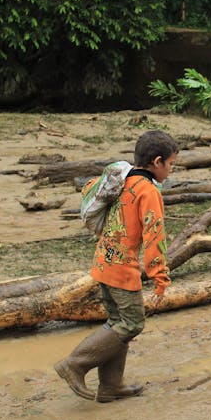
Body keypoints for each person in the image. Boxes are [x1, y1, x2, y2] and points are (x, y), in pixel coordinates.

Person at [55, 130, 179, 402]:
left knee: (116, 323)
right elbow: (154, 237)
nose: (171, 170)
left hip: (103, 263)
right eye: (170, 164)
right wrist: (160, 279)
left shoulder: (123, 180)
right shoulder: (148, 191)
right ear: (157, 162)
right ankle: (75, 364)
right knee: (132, 324)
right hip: (122, 270)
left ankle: (111, 387)